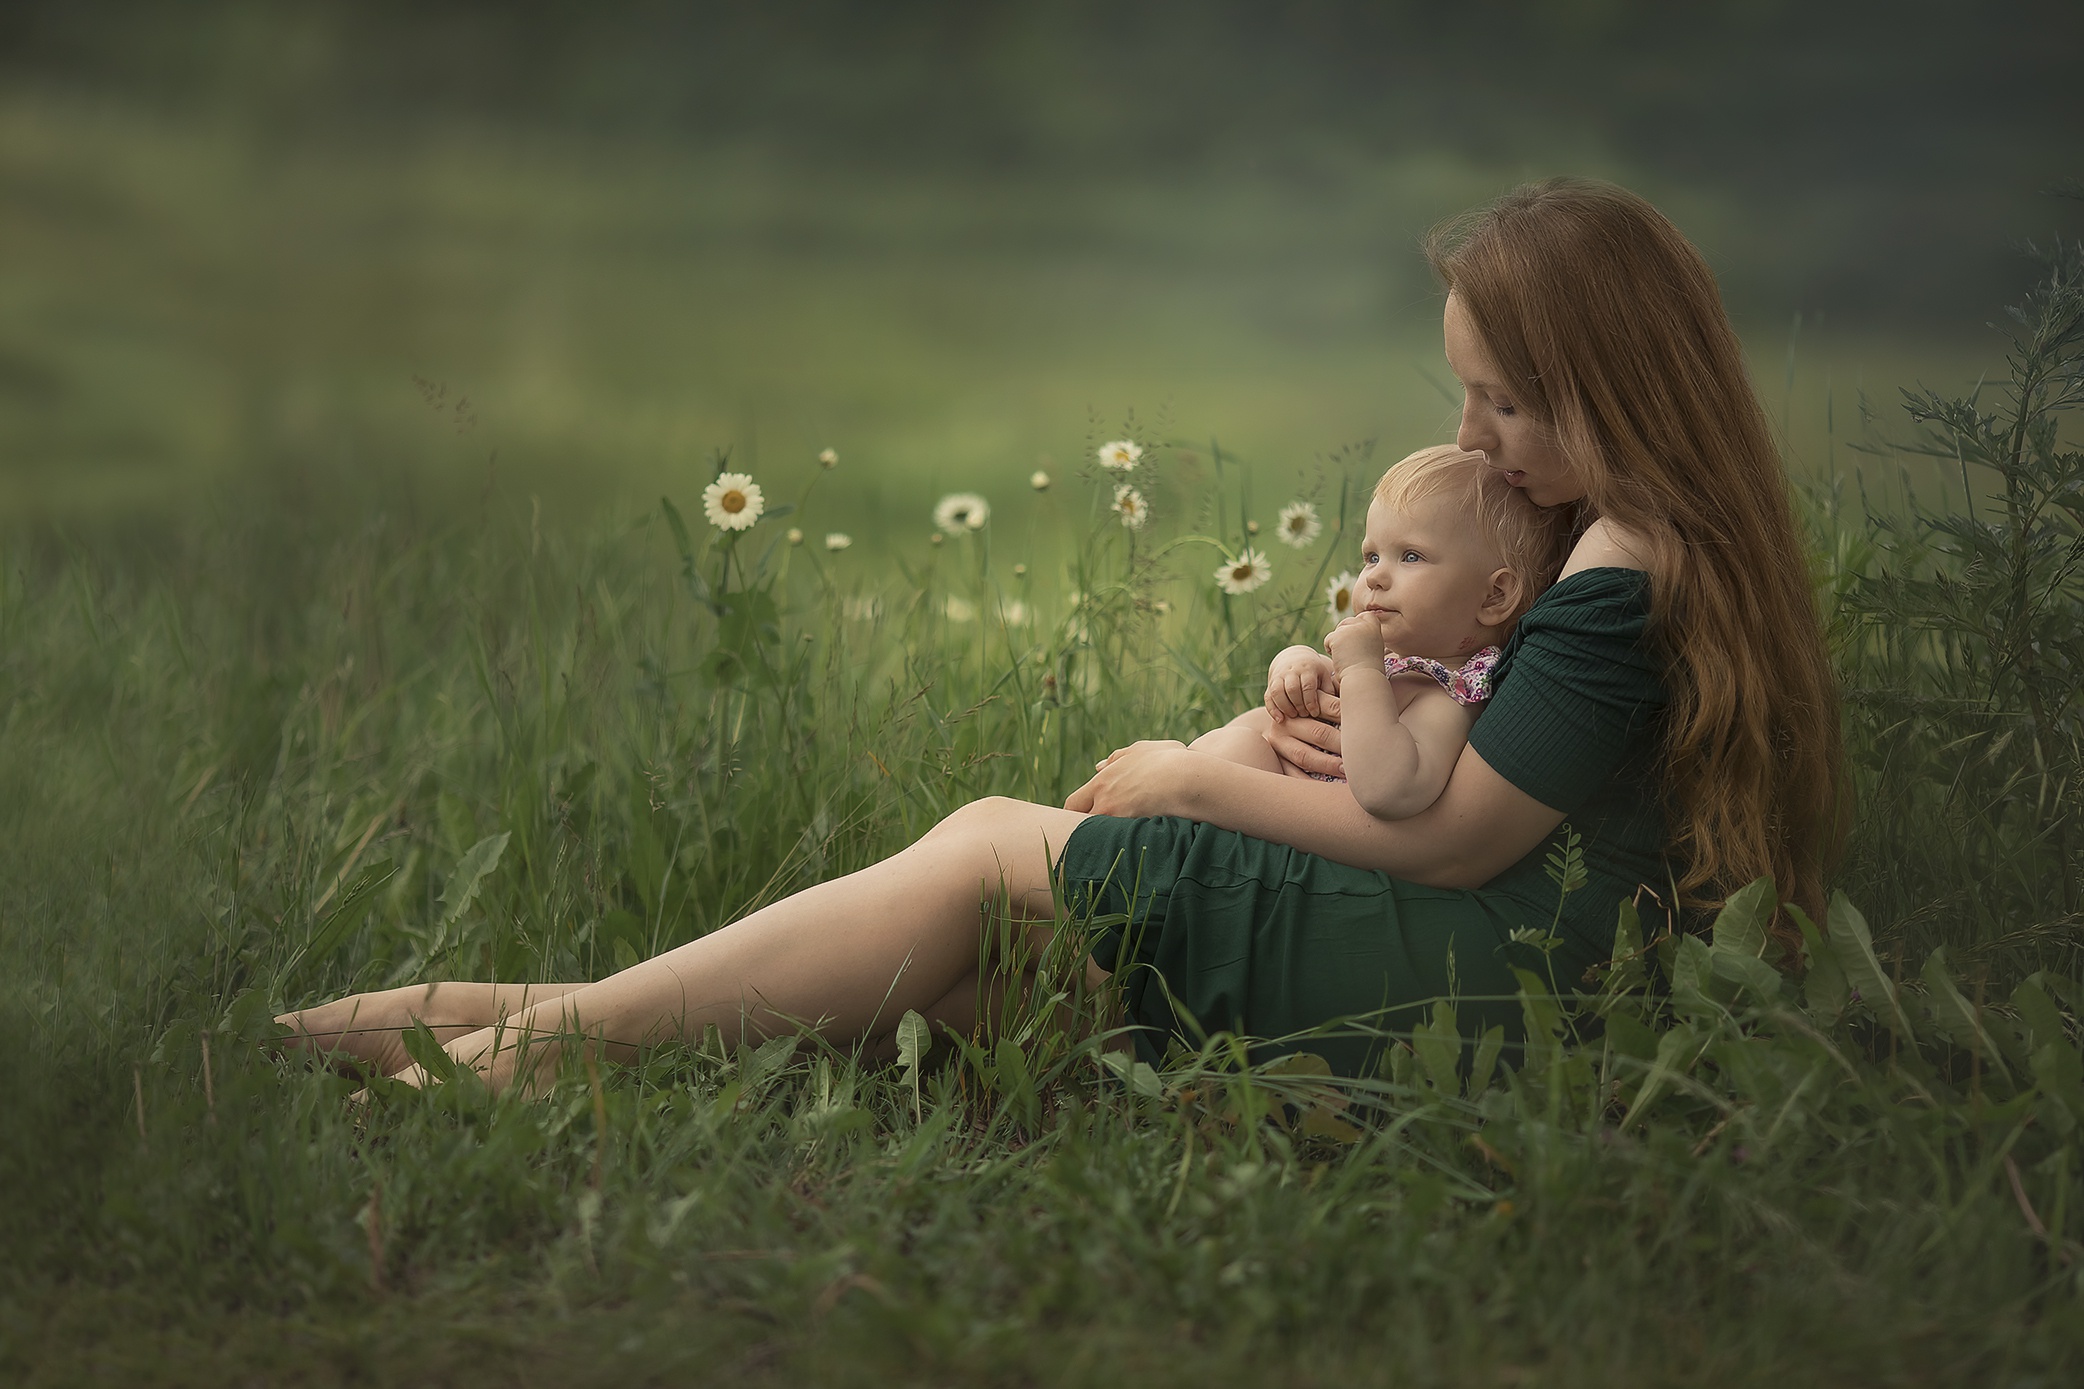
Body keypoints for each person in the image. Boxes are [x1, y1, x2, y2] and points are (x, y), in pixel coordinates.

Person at [279, 177, 1844, 1088]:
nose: (1472, 429)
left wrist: (1195, 778)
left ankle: (536, 1048)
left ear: (1610, 384)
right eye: (1468, 391)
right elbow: (1464, 764)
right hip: (1507, 952)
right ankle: (531, 1027)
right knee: (984, 966)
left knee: (984, 857)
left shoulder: (1623, 559)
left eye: (1504, 398)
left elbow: (1456, 847)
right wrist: (1314, 704)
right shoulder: (1623, 531)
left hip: (1497, 971)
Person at [1184, 444, 1570, 823]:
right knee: (1239, 737)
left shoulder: (1450, 701)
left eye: (1411, 556)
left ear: (1493, 596)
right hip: (1262, 795)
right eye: (1371, 556)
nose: (1374, 577)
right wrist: (1298, 663)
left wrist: (1360, 671)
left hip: (1299, 832)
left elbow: (1388, 791)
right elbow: (1327, 688)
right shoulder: (1395, 662)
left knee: (1238, 747)